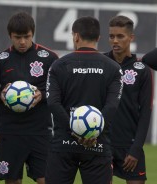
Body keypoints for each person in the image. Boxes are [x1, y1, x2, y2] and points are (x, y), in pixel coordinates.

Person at [0, 12, 58, 184]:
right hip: (10, 132)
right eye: (17, 37)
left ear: (33, 33)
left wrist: (42, 95)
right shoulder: (1, 60)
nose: (22, 42)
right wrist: (1, 96)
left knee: (46, 179)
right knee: (13, 181)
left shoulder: (49, 58)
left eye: (26, 36)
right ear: (10, 36)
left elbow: (60, 92)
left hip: (40, 131)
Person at [45, 16, 123, 184]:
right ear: (98, 38)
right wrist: (92, 134)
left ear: (75, 36)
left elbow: (53, 103)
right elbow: (111, 106)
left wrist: (74, 131)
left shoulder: (58, 65)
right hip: (98, 144)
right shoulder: (113, 68)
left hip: (64, 144)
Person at [104, 15, 152, 184]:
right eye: (111, 36)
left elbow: (145, 113)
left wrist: (136, 149)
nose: (115, 41)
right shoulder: (101, 64)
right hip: (103, 144)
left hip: (130, 145)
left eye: (120, 36)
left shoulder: (142, 70)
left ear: (131, 38)